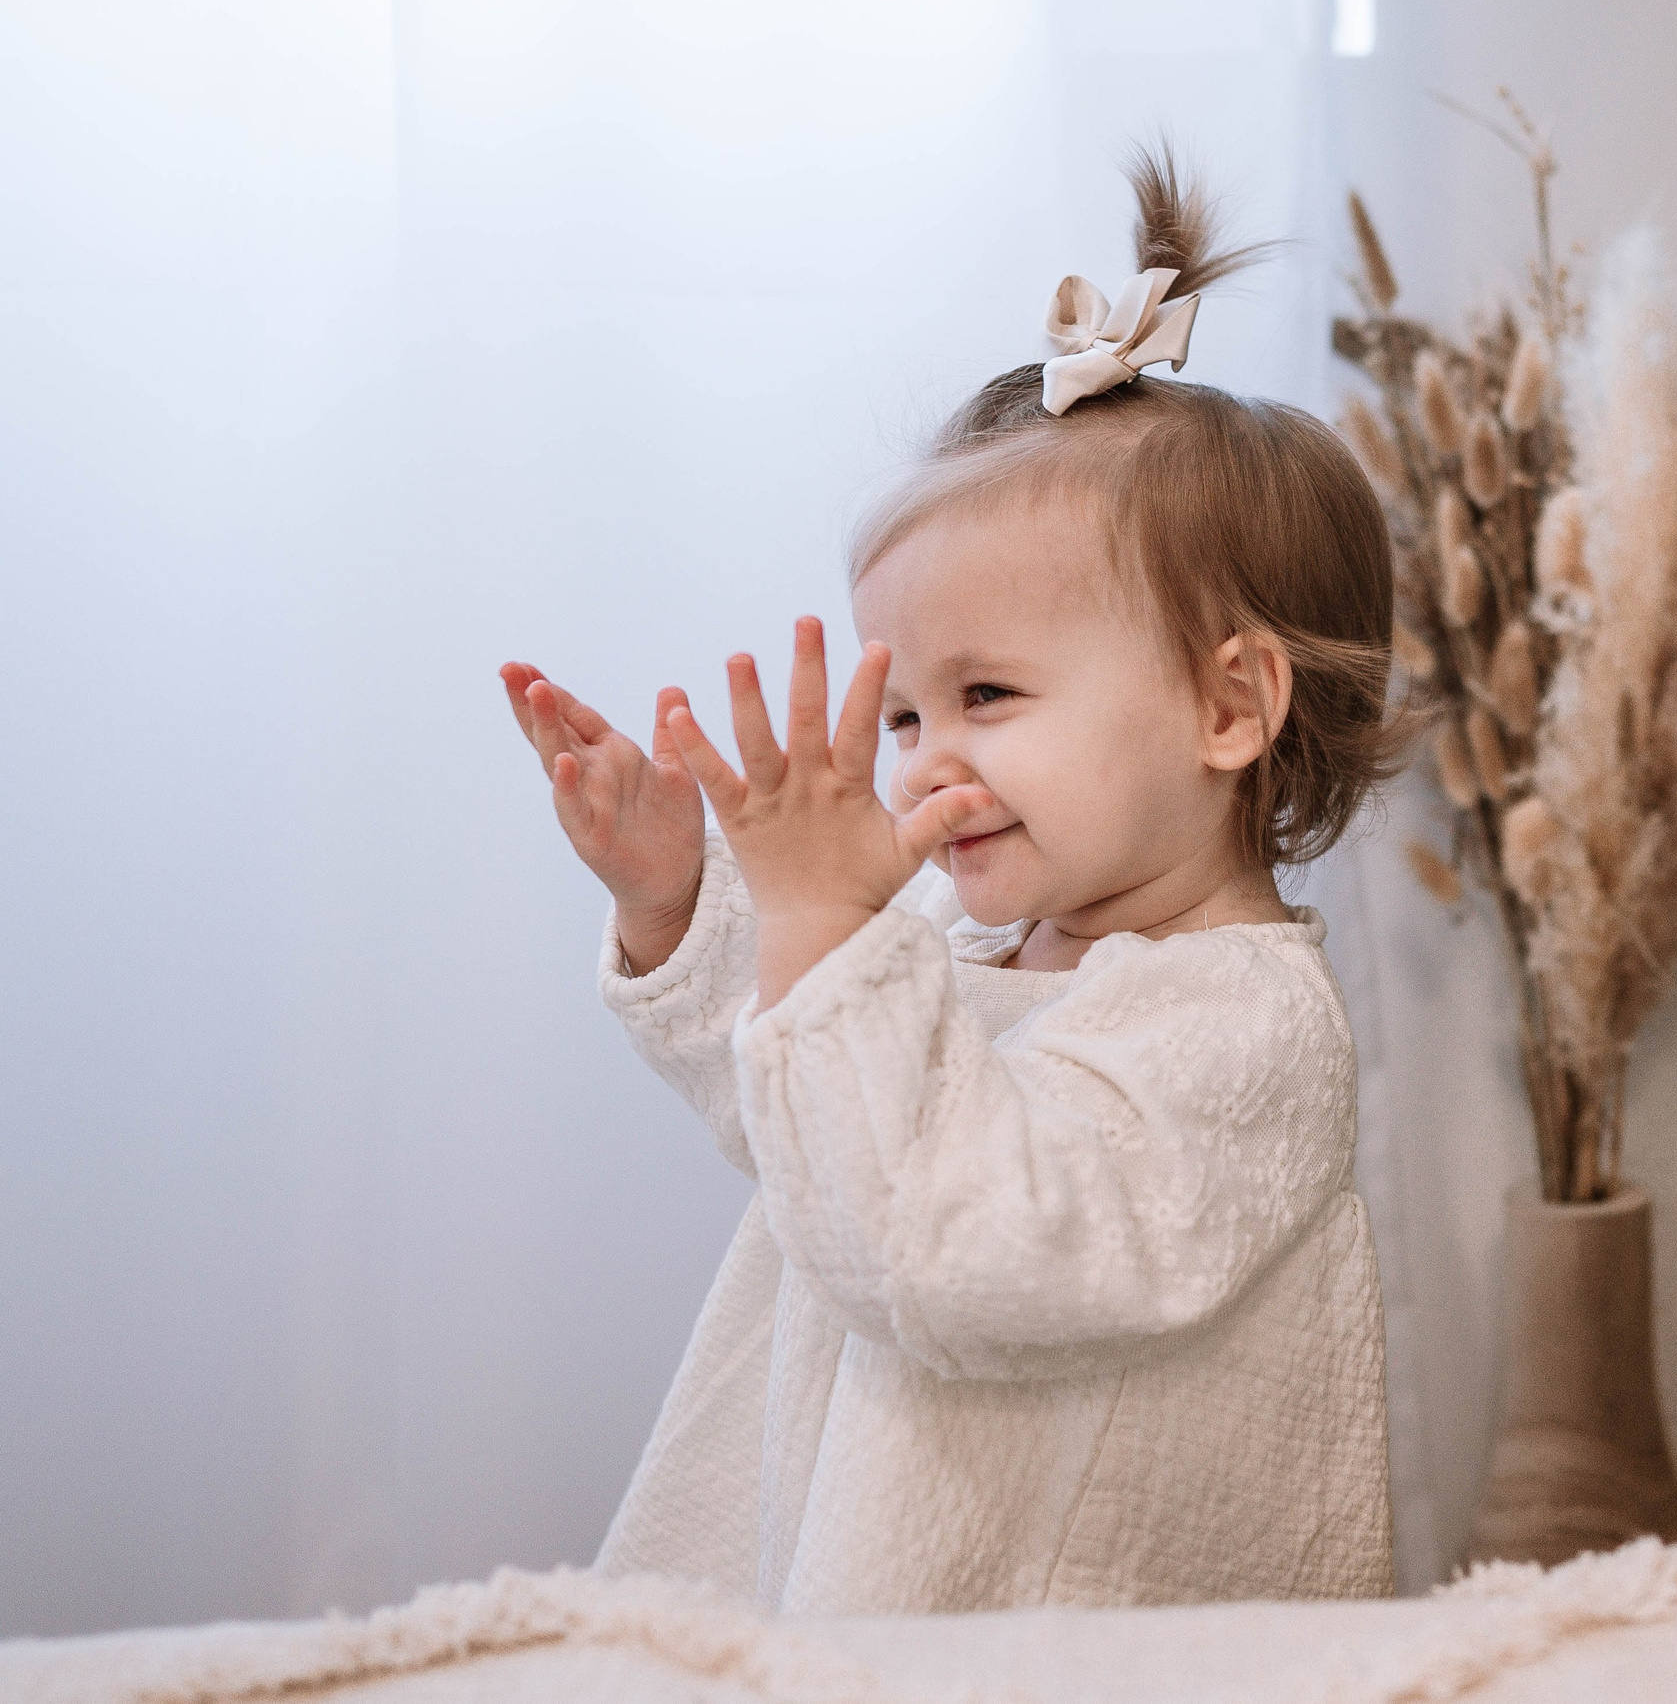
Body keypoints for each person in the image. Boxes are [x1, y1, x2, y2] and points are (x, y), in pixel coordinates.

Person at [496, 147, 1397, 1615]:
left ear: (1230, 709)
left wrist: (821, 922)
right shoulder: (978, 952)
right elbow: (822, 1141)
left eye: (989, 693)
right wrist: (684, 908)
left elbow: (940, 1241)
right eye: (905, 713)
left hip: (1071, 1649)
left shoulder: (1247, 1032)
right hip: (870, 1596)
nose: (921, 762)